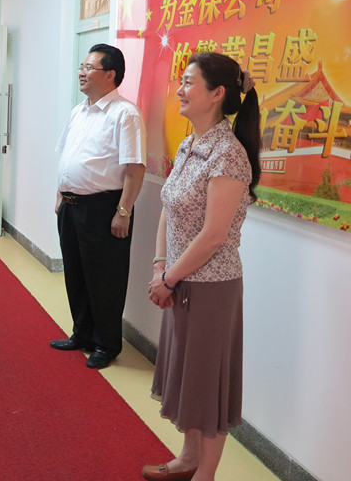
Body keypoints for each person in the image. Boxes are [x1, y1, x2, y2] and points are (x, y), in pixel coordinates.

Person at [143, 51, 260, 481]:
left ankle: (204, 474)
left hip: (211, 288)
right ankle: (188, 459)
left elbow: (213, 235)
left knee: (208, 384)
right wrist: (160, 267)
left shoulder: (228, 154)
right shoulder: (190, 144)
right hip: (179, 281)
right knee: (190, 378)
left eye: (189, 82)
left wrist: (169, 278)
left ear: (217, 94)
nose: (180, 89)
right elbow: (169, 208)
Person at [50, 43, 146, 369]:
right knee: (76, 273)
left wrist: (123, 212)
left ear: (110, 75)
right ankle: (82, 334)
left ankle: (106, 344)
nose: (82, 72)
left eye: (89, 68)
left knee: (105, 278)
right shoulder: (79, 111)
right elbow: (67, 156)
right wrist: (60, 196)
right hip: (71, 206)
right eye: (82, 66)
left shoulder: (125, 114)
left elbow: (134, 169)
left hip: (104, 208)